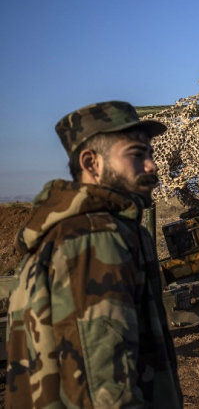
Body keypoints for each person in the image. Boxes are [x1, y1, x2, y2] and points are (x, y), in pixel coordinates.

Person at [6, 101, 183, 408]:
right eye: (137, 154)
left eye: (150, 154)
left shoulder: (66, 232)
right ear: (92, 163)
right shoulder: (94, 237)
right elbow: (106, 392)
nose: (152, 165)